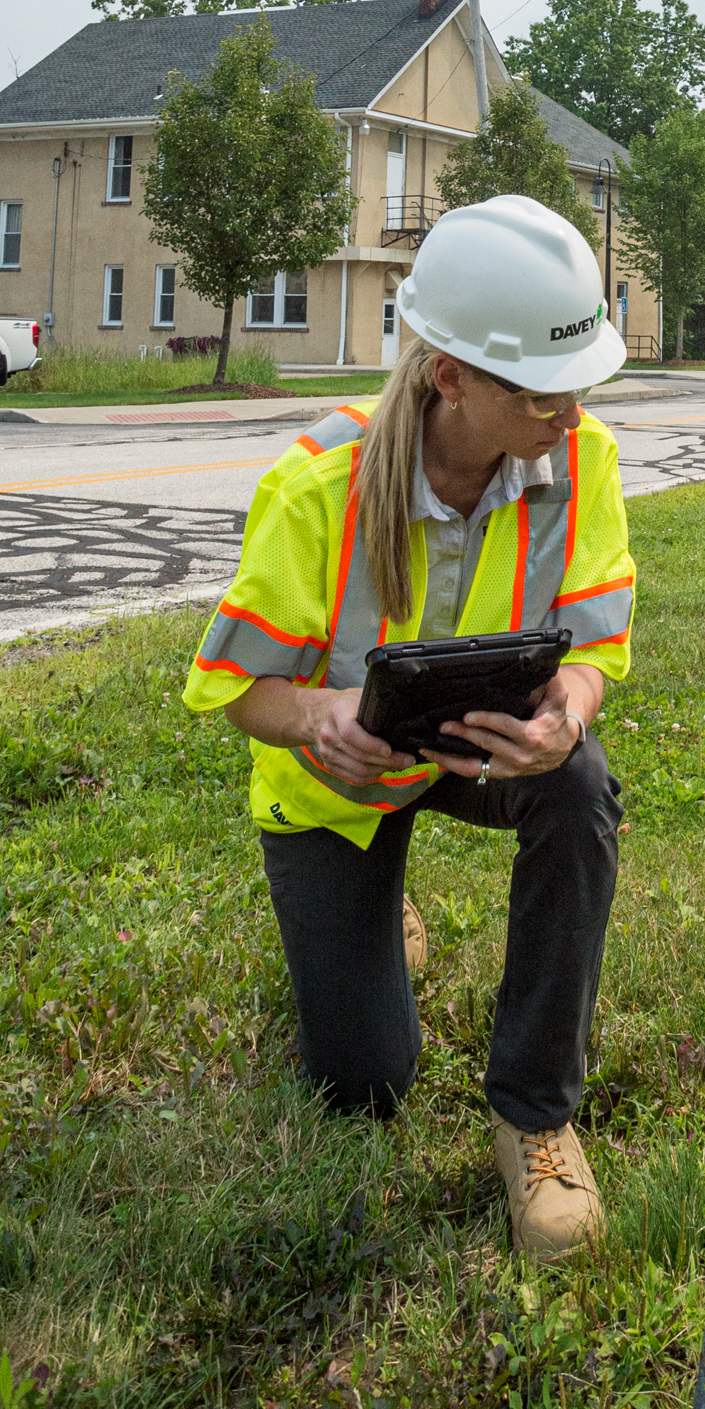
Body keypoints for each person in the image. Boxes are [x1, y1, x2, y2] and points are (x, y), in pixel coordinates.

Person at [183, 195, 634, 1261]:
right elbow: (228, 685)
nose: (567, 413)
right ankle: (376, 906)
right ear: (449, 378)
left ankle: (534, 1117)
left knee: (581, 792)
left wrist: (567, 711)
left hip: (484, 748)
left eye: (578, 385)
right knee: (365, 1082)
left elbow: (594, 647)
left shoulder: (582, 459)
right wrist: (315, 714)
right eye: (537, 393)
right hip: (337, 784)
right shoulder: (315, 488)